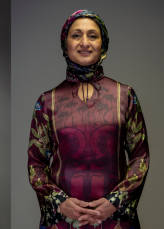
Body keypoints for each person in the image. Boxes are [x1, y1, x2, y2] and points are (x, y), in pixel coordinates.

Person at [27, 10, 149, 229]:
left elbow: (140, 158)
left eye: (92, 35)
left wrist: (114, 202)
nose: (85, 42)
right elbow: (36, 165)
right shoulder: (47, 101)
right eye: (76, 35)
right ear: (65, 44)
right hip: (64, 220)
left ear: (103, 44)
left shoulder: (125, 95)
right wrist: (60, 202)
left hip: (115, 219)